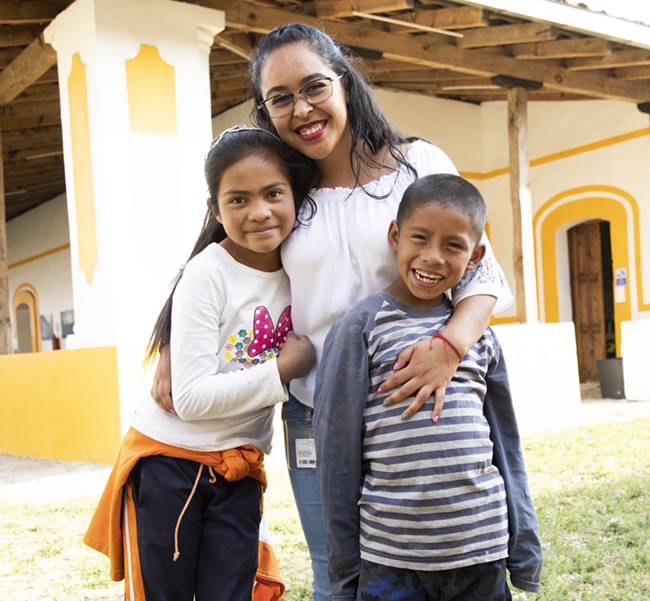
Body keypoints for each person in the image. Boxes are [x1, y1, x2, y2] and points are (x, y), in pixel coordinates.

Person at [151, 23, 514, 601]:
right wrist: (174, 341)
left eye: (313, 86)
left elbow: (482, 269)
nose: (302, 109)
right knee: (337, 580)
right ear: (267, 111)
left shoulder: (417, 164)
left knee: (448, 571)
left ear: (344, 83)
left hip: (419, 410)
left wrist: (451, 346)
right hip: (317, 417)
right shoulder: (284, 187)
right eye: (281, 98)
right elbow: (225, 261)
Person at [83, 125, 319, 601]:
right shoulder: (208, 272)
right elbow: (189, 399)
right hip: (171, 462)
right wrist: (281, 371)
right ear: (214, 209)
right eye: (237, 200)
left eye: (274, 193)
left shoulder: (303, 261)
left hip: (239, 469)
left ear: (296, 194)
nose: (259, 212)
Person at [314, 173, 543, 601]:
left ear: (475, 257)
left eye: (453, 246)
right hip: (392, 556)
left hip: (481, 550)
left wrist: (523, 545)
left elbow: (506, 447)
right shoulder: (361, 329)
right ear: (395, 236)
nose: (433, 257)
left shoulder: (479, 338)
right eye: (419, 238)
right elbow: (337, 457)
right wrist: (344, 576)